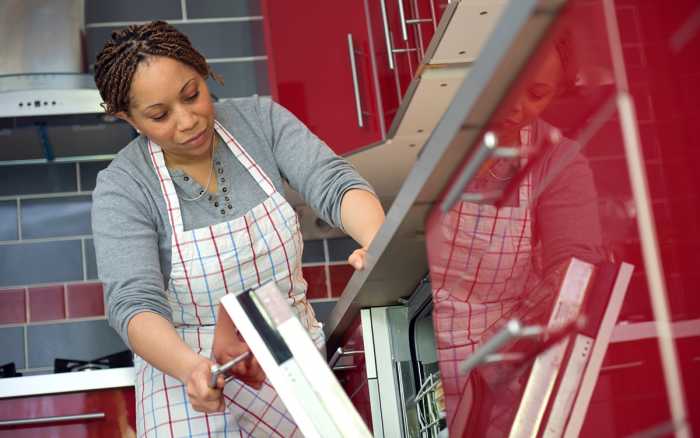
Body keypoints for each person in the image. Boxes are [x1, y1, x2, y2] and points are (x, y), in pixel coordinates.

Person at [91, 20, 385, 437]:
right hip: (187, 372)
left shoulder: (259, 121)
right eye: (159, 115)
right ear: (129, 118)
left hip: (289, 354)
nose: (187, 120)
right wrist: (191, 369)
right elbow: (133, 303)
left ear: (203, 70)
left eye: (192, 94)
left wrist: (377, 240)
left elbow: (334, 184)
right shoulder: (125, 185)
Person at [425, 28, 607, 436]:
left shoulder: (557, 160)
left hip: (498, 372)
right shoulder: (428, 137)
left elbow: (574, 266)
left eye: (536, 94)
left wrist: (563, 300)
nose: (514, 107)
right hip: (416, 354)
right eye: (504, 85)